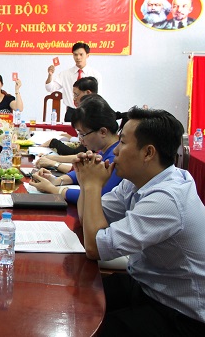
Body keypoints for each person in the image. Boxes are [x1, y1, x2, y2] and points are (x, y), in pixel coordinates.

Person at [75, 108, 205, 335]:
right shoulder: (138, 180)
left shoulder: (167, 199)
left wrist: (93, 185)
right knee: (75, 298)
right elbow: (87, 219)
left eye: (123, 142)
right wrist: (86, 182)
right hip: (147, 285)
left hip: (179, 313)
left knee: (90, 329)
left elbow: (94, 247)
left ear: (148, 153)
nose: (115, 150)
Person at [30, 95, 122, 204]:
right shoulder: (104, 149)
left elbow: (98, 196)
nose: (80, 140)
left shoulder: (115, 157)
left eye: (82, 134)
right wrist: (55, 180)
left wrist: (53, 189)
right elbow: (83, 173)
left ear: (103, 132)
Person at [39, 76, 98, 159]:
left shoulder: (93, 115)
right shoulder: (94, 108)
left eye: (76, 95)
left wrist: (53, 143)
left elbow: (77, 154)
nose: (74, 99)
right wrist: (72, 138)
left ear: (88, 93)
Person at [45, 42, 102, 122]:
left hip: (89, 112)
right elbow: (50, 88)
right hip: (71, 112)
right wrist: (50, 75)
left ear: (87, 55)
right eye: (75, 55)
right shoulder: (65, 74)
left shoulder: (95, 74)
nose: (78, 57)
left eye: (81, 54)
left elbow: (97, 96)